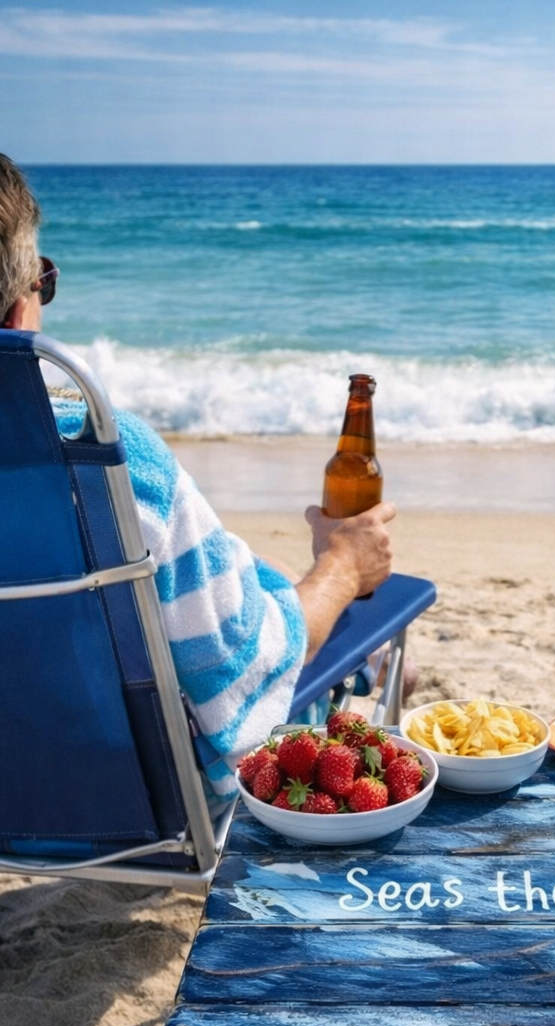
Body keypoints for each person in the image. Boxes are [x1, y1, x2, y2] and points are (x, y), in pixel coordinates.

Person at [0, 152, 396, 805]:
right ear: (19, 313)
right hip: (124, 799)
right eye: (43, 280)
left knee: (225, 567)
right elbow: (240, 677)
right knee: (351, 624)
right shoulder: (111, 461)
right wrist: (345, 566)